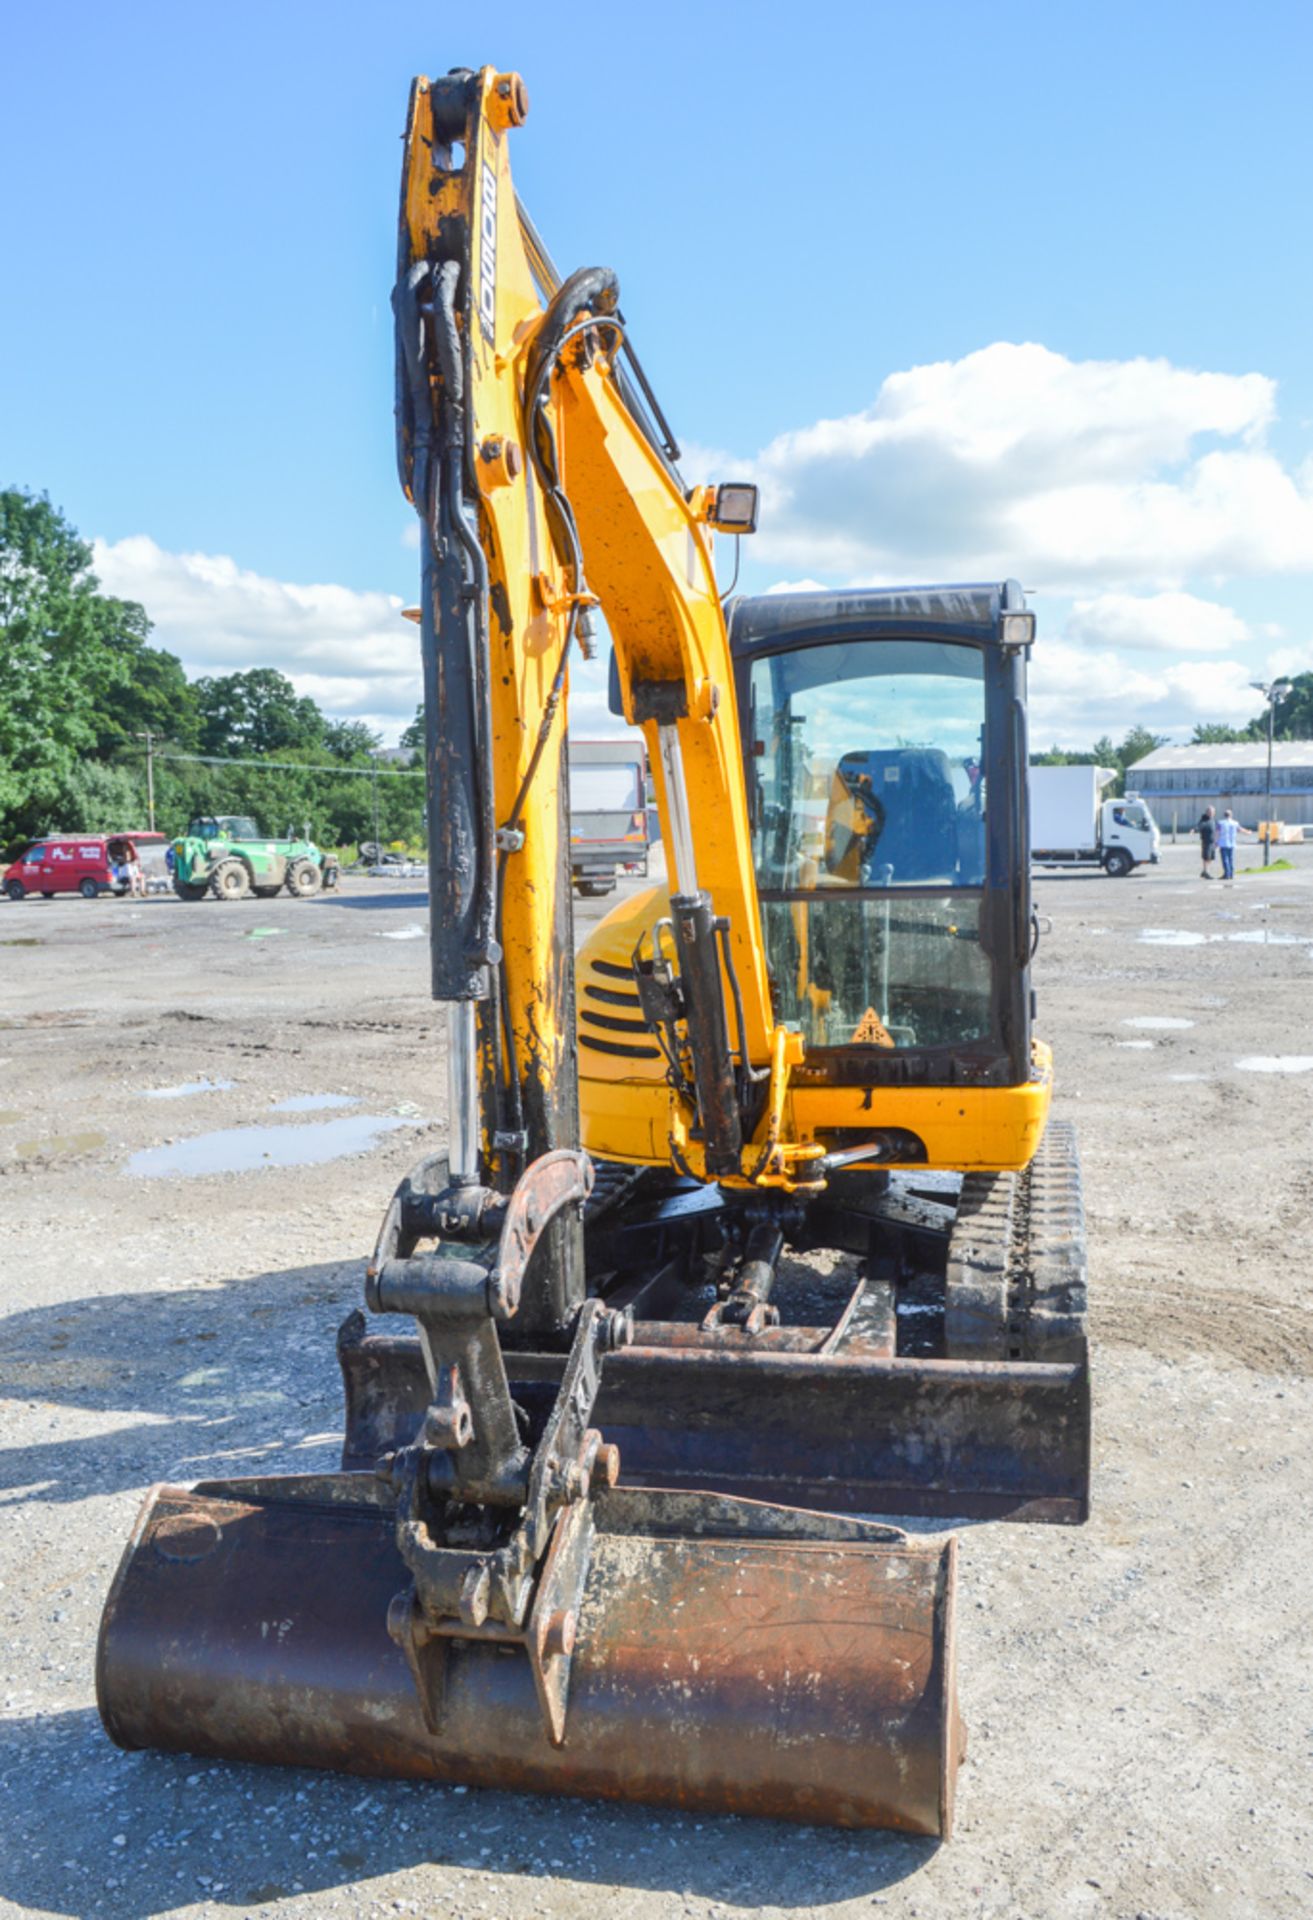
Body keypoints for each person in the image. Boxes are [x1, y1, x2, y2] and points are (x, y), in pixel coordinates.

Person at [1214, 808, 1251, 881]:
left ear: (1224, 815)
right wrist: (1248, 832)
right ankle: (1231, 874)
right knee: (1231, 859)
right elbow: (1240, 829)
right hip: (1232, 843)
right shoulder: (1235, 823)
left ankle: (1226, 874)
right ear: (1231, 815)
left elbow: (1217, 833)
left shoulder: (1221, 823)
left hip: (1223, 843)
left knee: (1225, 859)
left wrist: (1216, 842)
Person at [1196, 806, 1217, 879]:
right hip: (1206, 841)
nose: (1211, 813)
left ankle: (1204, 871)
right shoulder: (1204, 820)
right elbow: (1199, 826)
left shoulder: (1213, 820)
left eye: (1212, 812)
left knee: (1211, 857)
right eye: (1209, 812)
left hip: (1212, 842)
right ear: (1207, 812)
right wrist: (1194, 830)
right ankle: (1206, 872)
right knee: (1206, 857)